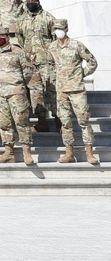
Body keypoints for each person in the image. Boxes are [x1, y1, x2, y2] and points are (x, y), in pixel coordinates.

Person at [0, 28, 41, 166]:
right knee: (4, 123)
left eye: (2, 35)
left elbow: (28, 70)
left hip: (16, 92)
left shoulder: (18, 52)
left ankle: (26, 152)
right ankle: (8, 152)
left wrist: (17, 82)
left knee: (21, 122)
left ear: (8, 37)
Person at [50, 19, 99, 165]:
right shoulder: (52, 47)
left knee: (83, 121)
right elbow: (51, 64)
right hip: (61, 90)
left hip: (76, 89)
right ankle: (69, 152)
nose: (58, 31)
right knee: (65, 122)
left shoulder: (76, 45)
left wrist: (82, 73)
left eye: (60, 28)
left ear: (66, 29)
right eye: (56, 29)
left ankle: (89, 152)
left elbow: (92, 62)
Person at [20, 0, 59, 131]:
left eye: (33, 0)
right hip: (31, 63)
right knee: (35, 93)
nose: (30, 3)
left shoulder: (48, 18)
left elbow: (56, 40)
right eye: (28, 0)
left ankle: (59, 120)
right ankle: (41, 121)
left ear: (38, 1)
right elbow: (20, 38)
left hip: (46, 61)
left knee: (52, 91)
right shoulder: (22, 20)